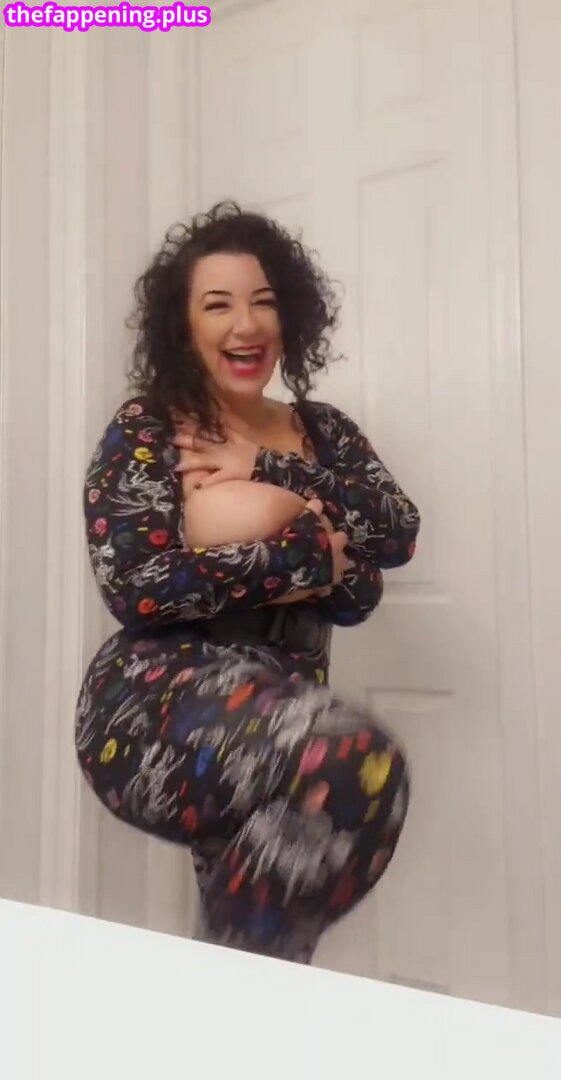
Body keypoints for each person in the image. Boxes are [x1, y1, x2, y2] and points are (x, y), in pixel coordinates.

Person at [75, 201, 421, 964]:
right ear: (182, 324)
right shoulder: (151, 427)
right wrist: (310, 558)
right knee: (350, 758)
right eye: (217, 304)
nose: (245, 324)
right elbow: (138, 586)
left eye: (263, 301)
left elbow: (391, 538)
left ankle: (227, 1014)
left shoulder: (323, 432)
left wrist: (267, 472)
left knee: (262, 951)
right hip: (154, 697)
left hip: (283, 701)